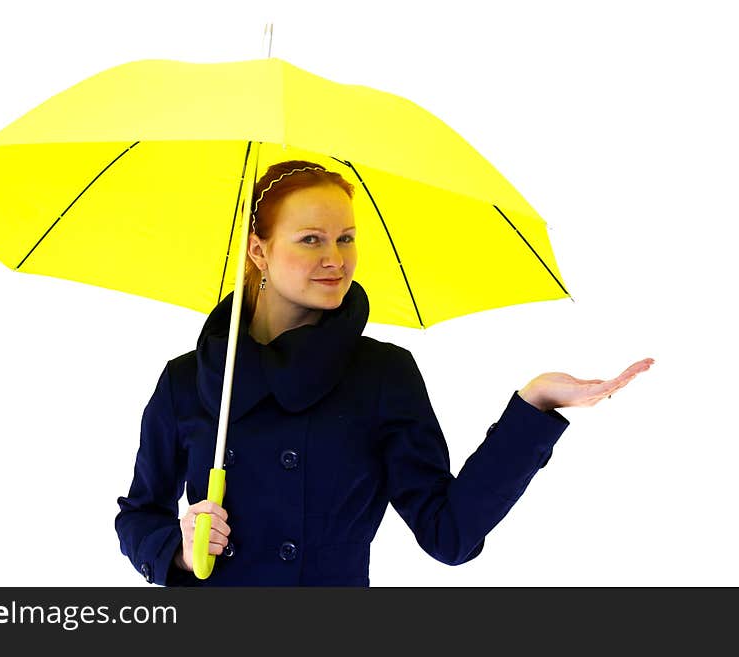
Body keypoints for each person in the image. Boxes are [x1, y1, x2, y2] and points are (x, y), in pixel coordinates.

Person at [115, 160, 653, 586]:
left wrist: (534, 405)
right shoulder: (190, 381)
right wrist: (180, 554)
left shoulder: (381, 375)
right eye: (311, 239)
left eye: (346, 238)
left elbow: (451, 535)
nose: (336, 258)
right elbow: (138, 515)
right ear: (258, 250)